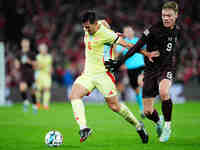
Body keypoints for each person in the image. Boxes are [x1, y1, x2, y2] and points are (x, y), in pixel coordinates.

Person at [69, 10, 157, 144]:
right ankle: (84, 128)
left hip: (104, 75)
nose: (85, 29)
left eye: (87, 27)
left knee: (115, 106)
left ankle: (138, 126)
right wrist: (102, 22)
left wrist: (145, 53)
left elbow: (128, 45)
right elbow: (102, 21)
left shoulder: (107, 34)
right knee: (74, 95)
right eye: (84, 27)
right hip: (88, 74)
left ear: (94, 24)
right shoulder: (93, 25)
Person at [105, 1, 180, 142]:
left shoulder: (177, 30)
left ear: (176, 16)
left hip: (166, 68)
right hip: (150, 70)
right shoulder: (153, 30)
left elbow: (173, 50)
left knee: (164, 92)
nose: (166, 18)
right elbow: (135, 47)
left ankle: (167, 127)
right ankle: (159, 122)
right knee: (147, 111)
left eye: (169, 16)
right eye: (164, 15)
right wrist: (119, 63)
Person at [115, 26, 146, 118]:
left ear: (133, 32)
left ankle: (145, 108)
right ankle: (142, 108)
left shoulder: (138, 40)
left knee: (140, 83)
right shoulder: (122, 43)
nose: (128, 32)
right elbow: (116, 55)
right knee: (136, 90)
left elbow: (147, 49)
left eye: (129, 31)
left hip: (140, 66)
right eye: (126, 31)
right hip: (130, 69)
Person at [14, 37, 37, 113]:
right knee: (22, 88)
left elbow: (36, 65)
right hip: (23, 73)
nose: (25, 44)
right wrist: (17, 64)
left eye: (26, 42)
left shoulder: (32, 53)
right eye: (24, 42)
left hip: (30, 74)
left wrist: (28, 61)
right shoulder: (18, 54)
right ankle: (26, 102)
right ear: (21, 44)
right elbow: (16, 65)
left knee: (32, 91)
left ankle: (34, 105)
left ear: (29, 44)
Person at [35, 43, 52, 110]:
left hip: (47, 75)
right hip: (39, 74)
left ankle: (45, 105)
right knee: (38, 90)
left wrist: (50, 70)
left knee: (47, 89)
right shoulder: (37, 57)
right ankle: (38, 103)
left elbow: (50, 66)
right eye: (42, 49)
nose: (44, 50)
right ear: (40, 50)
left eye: (45, 49)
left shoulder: (49, 57)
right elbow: (37, 67)